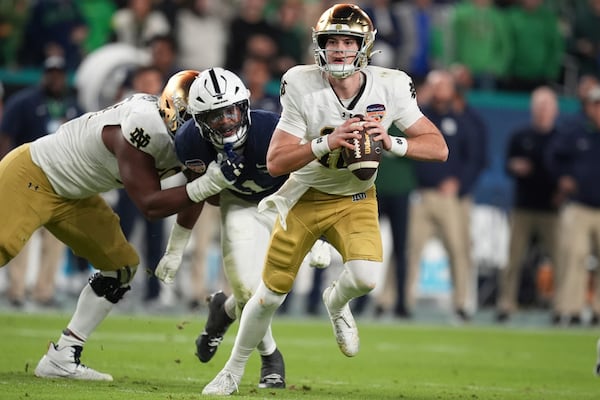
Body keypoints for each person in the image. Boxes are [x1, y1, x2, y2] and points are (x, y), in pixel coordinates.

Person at [201, 4, 448, 395]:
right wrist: (326, 142)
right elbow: (276, 161)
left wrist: (391, 141)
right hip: (304, 196)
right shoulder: (301, 83)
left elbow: (438, 147)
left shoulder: (391, 85)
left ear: (363, 47)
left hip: (355, 196)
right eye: (331, 41)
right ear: (319, 46)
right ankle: (231, 370)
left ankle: (336, 302)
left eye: (347, 41)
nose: (338, 49)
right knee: (267, 297)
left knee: (366, 279)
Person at [0, 70, 206, 381]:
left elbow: (199, 189)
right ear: (176, 111)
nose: (213, 127)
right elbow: (150, 204)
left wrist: (176, 248)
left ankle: (63, 356)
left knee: (120, 266)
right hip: (33, 174)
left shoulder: (196, 135)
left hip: (76, 194)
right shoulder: (142, 125)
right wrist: (213, 181)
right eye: (202, 118)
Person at [154, 67, 329, 389]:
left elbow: (310, 179)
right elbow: (196, 197)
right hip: (240, 206)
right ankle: (270, 356)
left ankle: (223, 310)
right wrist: (175, 249)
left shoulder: (272, 129)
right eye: (215, 116)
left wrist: (317, 234)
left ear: (244, 106)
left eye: (231, 111)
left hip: (285, 202)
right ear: (198, 120)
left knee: (270, 289)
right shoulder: (191, 142)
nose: (226, 122)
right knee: (250, 291)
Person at [0, 56, 84, 308]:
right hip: (28, 178)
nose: (56, 78)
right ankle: (16, 290)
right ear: (44, 75)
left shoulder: (73, 106)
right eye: (51, 73)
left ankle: (43, 291)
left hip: (60, 182)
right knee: (21, 236)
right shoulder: (24, 102)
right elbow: (6, 138)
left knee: (55, 240)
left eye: (60, 73)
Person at [495, 86, 561, 323]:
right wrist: (515, 167)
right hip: (523, 206)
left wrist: (561, 192)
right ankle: (506, 303)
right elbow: (507, 165)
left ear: (555, 110)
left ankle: (561, 307)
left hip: (553, 209)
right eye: (539, 107)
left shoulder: (561, 138)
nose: (543, 111)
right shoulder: (521, 136)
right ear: (533, 109)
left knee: (560, 260)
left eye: (547, 107)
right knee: (514, 258)